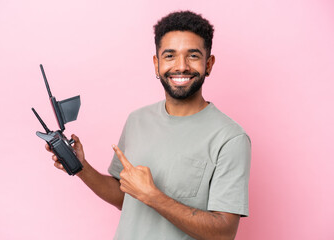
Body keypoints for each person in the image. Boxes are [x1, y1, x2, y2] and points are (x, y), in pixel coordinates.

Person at [47, 10, 251, 240]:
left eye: (193, 56)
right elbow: (125, 197)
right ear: (157, 64)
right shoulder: (137, 120)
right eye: (170, 56)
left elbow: (223, 233)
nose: (181, 66)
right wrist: (81, 167)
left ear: (209, 64)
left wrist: (153, 196)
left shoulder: (230, 138)